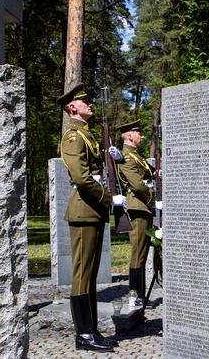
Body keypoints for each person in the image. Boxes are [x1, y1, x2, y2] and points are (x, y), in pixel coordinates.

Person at [57, 83, 124, 352]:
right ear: (72, 107)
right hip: (84, 208)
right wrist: (109, 199)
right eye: (85, 101)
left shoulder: (87, 135)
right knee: (83, 274)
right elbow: (82, 178)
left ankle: (91, 329)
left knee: (91, 273)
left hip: (92, 209)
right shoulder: (73, 137)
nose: (90, 104)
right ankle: (84, 335)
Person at [114, 120, 155, 304]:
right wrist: (153, 200)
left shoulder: (137, 156)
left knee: (143, 251)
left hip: (143, 206)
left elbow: (149, 175)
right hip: (138, 205)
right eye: (139, 133)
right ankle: (135, 293)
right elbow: (138, 185)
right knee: (138, 252)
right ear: (130, 135)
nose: (142, 136)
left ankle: (140, 294)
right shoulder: (127, 158)